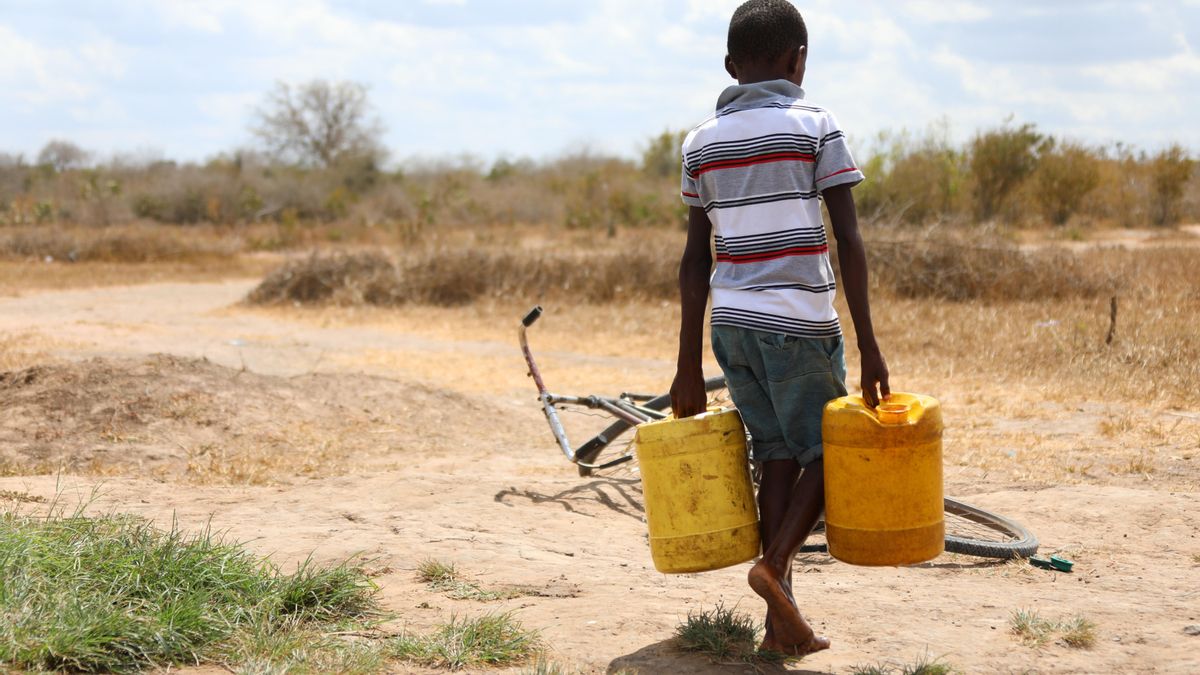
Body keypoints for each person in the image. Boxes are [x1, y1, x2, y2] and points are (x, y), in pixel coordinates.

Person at [669, 0, 889, 657]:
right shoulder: (815, 124)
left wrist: (685, 364)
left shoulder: (701, 143)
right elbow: (847, 239)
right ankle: (775, 567)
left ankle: (778, 625)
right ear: (800, 61)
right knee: (832, 449)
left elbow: (691, 260)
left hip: (731, 325)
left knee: (781, 458)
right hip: (798, 322)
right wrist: (872, 346)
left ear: (731, 67)